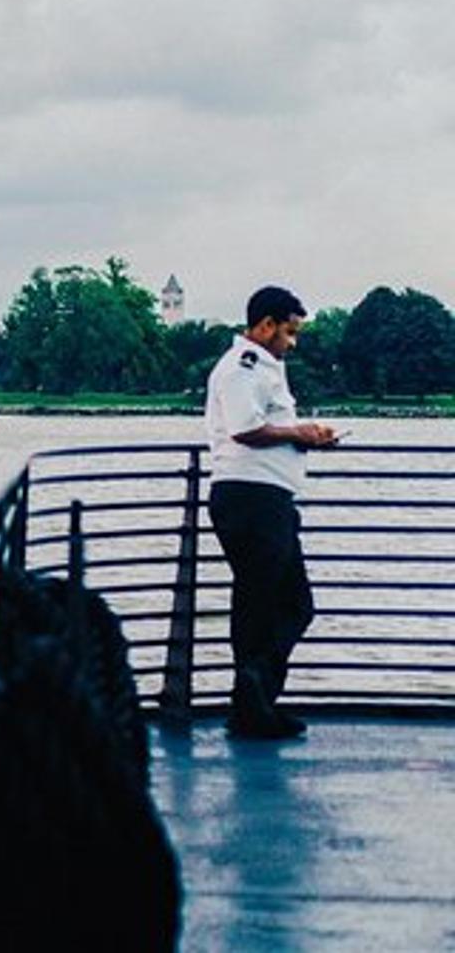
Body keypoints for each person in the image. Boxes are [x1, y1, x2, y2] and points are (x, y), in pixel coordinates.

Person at [204, 285, 337, 740]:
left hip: (260, 500)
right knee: (292, 604)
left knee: (260, 605)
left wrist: (301, 437)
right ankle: (254, 690)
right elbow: (245, 429)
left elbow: (262, 428)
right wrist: (298, 432)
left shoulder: (260, 366)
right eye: (289, 332)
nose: (292, 342)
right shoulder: (244, 367)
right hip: (253, 500)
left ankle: (253, 707)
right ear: (265, 325)